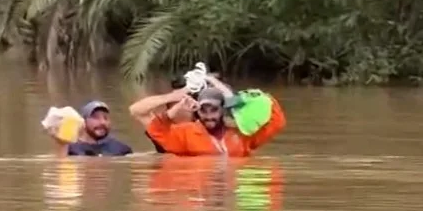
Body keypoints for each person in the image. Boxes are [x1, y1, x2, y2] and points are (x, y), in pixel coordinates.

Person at [129, 74, 286, 157]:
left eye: (214, 110)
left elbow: (276, 119)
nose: (209, 116)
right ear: (197, 110)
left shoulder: (242, 134)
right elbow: (154, 127)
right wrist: (175, 99)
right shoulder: (184, 134)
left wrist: (235, 99)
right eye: (204, 110)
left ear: (223, 110)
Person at [49, 100, 133, 157]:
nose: (102, 122)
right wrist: (61, 144)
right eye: (95, 117)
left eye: (105, 118)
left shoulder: (121, 148)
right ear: (83, 121)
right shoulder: (70, 148)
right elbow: (61, 169)